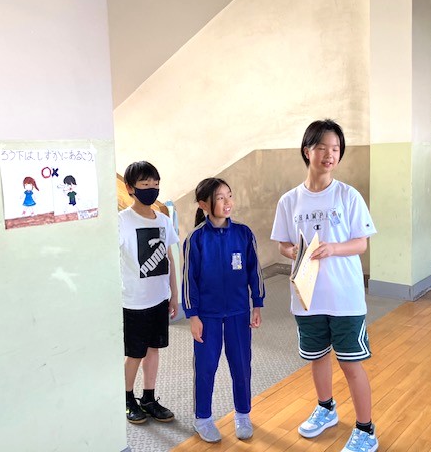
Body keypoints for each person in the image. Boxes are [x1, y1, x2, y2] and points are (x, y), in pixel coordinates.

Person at [271, 119, 378, 452]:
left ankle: (366, 430)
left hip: (344, 297)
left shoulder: (348, 195)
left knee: (350, 363)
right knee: (317, 358)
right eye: (322, 148)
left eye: (336, 149)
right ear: (307, 151)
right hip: (307, 296)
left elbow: (361, 243)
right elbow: (283, 245)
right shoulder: (289, 200)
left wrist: (333, 248)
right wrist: (294, 251)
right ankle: (326, 408)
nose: (330, 155)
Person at [182, 178, 265, 443]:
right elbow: (189, 280)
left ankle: (243, 413)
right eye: (220, 198)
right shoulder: (196, 238)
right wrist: (193, 316)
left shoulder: (243, 233)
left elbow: (254, 271)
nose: (228, 202)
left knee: (241, 365)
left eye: (230, 195)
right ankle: (203, 418)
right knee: (206, 368)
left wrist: (257, 304)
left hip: (239, 313)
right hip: (207, 316)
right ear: (204, 204)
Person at [119, 161, 179, 424]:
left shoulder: (164, 220)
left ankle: (149, 398)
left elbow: (169, 258)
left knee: (154, 349)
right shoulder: (122, 221)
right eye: (145, 184)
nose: (151, 188)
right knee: (135, 353)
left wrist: (174, 294)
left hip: (159, 298)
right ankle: (127, 398)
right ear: (130, 188)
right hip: (134, 301)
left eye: (155, 184)